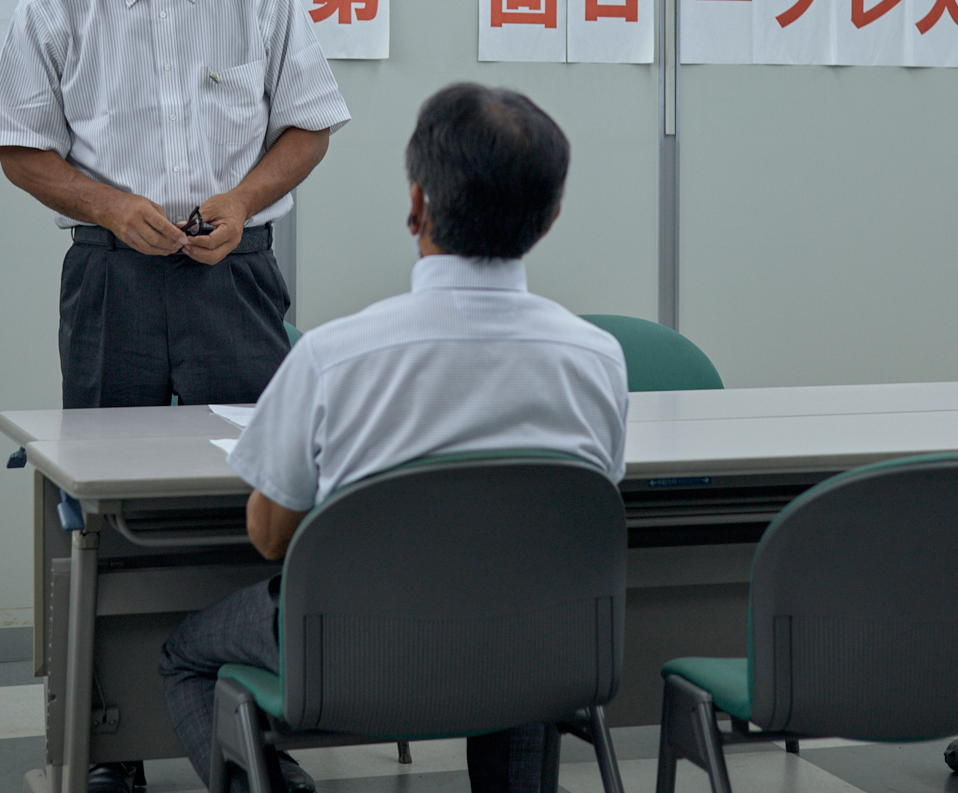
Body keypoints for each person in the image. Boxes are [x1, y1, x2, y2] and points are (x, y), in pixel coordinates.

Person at [157, 83, 630, 793]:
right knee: (523, 614)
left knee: (183, 657)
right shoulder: (596, 359)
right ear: (549, 219)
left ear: (416, 205)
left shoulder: (335, 357)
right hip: (531, 645)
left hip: (354, 650)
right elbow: (579, 508)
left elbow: (270, 536)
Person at [0, 0, 349, 414]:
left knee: (248, 456)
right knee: (107, 457)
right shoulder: (52, 8)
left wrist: (242, 201)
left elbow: (309, 127)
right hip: (110, 276)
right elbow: (21, 150)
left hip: (233, 270)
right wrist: (109, 208)